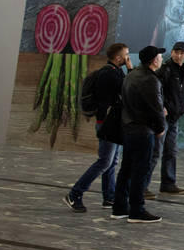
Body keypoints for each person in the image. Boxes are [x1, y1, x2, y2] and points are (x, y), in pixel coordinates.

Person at [64, 42, 129, 213]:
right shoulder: (109, 75)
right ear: (118, 57)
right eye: (126, 55)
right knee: (104, 162)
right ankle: (74, 194)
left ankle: (109, 197)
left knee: (112, 162)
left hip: (112, 123)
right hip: (107, 124)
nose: (128, 58)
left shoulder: (116, 72)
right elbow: (119, 95)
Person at [111, 46, 166, 223]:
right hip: (143, 131)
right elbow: (156, 109)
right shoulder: (150, 80)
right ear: (154, 61)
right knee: (140, 172)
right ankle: (137, 210)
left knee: (126, 169)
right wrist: (160, 128)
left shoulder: (131, 75)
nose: (161, 59)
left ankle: (119, 208)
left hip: (128, 128)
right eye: (159, 56)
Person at [150, 41, 184, 196]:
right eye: (176, 52)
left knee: (171, 151)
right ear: (172, 53)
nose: (179, 55)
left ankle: (168, 183)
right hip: (164, 117)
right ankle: (143, 185)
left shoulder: (183, 71)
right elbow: (156, 90)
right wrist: (162, 108)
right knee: (155, 152)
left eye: (182, 53)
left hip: (175, 117)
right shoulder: (165, 70)